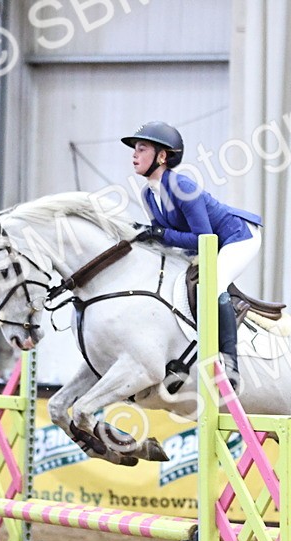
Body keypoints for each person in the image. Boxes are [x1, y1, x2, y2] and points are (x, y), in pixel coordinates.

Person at [121, 121, 262, 391]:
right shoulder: (148, 193)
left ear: (162, 156)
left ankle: (231, 364)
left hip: (239, 237)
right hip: (210, 243)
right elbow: (166, 238)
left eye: (142, 148)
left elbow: (203, 239)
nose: (134, 155)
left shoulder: (182, 187)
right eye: (134, 149)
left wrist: (159, 233)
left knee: (214, 285)